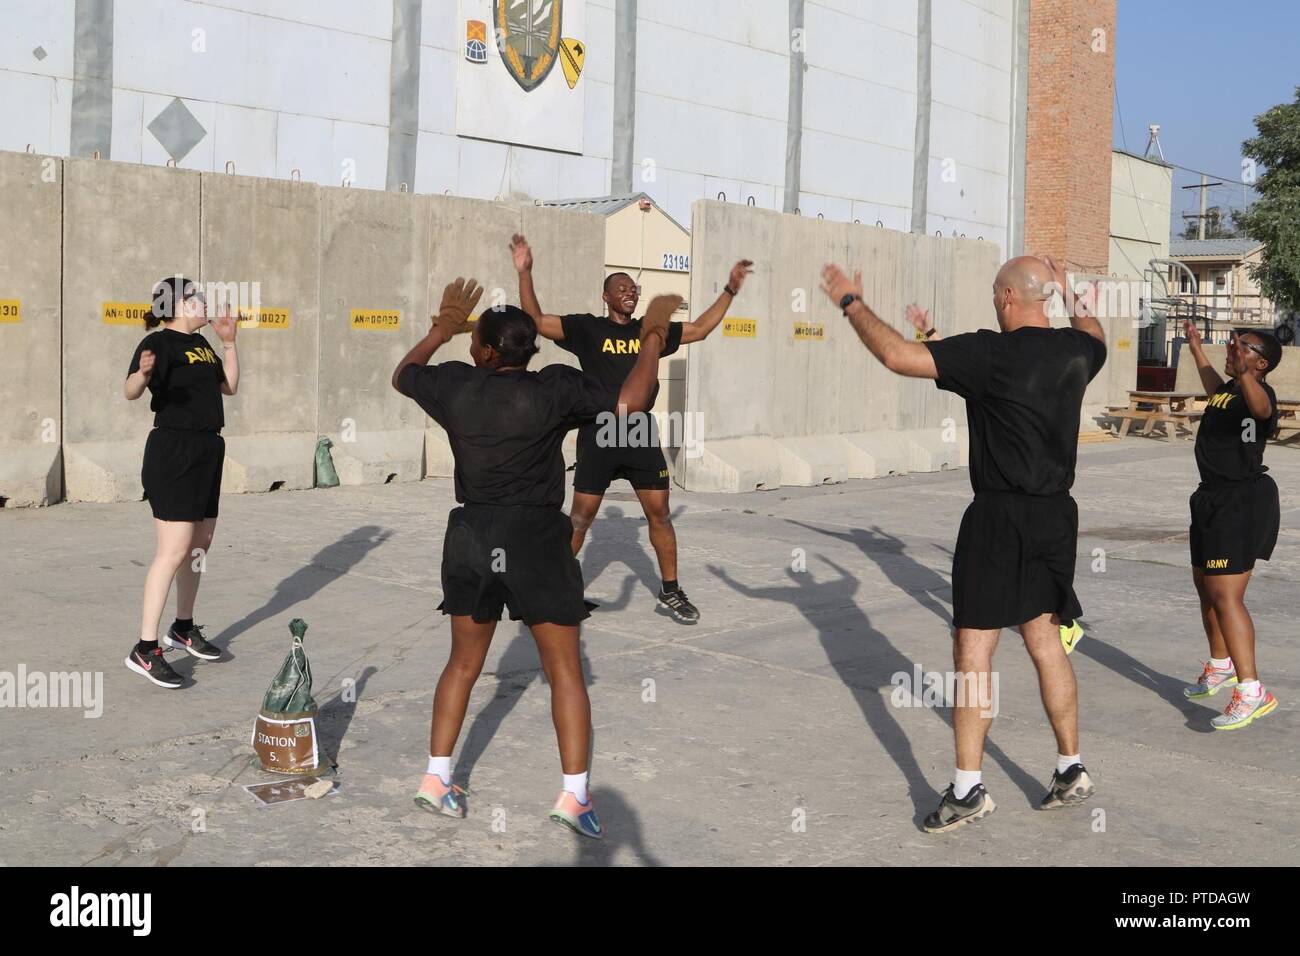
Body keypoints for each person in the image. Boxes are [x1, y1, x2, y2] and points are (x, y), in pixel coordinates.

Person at [820, 254, 1106, 834]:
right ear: (1046, 298)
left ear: (1005, 297)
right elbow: (1093, 329)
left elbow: (897, 357)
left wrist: (851, 302)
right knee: (1045, 640)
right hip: (1057, 515)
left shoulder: (989, 351)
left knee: (974, 651)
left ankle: (968, 788)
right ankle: (1070, 767)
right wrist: (1069, 286)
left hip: (998, 518)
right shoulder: (1076, 352)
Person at [393, 277, 676, 839]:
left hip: (472, 534)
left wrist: (440, 329)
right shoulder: (555, 388)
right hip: (536, 538)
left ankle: (436, 778)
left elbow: (403, 375)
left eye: (476, 339)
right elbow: (631, 403)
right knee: (565, 671)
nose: (471, 344)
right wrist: (651, 340)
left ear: (487, 352)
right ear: (528, 351)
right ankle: (573, 798)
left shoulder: (456, 384)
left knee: (462, 665)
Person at [511, 232, 753, 623]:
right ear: (605, 297)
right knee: (579, 518)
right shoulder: (587, 329)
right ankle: (554, 588)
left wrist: (729, 290)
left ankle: (670, 591)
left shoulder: (652, 329)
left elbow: (701, 329)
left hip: (639, 431)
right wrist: (525, 272)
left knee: (659, 513)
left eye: (633, 288)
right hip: (601, 428)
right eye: (620, 288)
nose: (629, 292)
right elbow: (537, 321)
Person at [907, 302, 1086, 658]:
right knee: (1037, 613)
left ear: (1008, 297)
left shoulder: (1002, 364)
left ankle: (1060, 622)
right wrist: (930, 334)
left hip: (1011, 506)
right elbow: (955, 364)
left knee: (979, 639)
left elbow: (930, 361)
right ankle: (1059, 621)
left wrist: (853, 305)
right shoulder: (1066, 357)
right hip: (1053, 507)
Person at [124, 276, 239, 688]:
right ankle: (145, 647)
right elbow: (131, 390)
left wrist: (228, 344)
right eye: (198, 297)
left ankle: (183, 627)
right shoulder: (159, 344)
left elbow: (230, 387)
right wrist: (141, 374)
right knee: (172, 551)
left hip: (209, 449)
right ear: (179, 304)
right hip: (173, 451)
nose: (206, 302)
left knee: (199, 545)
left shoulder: (204, 345)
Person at [1180, 321, 1282, 730]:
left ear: (1260, 362)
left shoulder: (1260, 392)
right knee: (1206, 587)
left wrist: (1243, 374)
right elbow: (1213, 388)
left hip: (1241, 502)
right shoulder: (1228, 389)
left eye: (1242, 346)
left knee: (1226, 596)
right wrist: (1196, 349)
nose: (1232, 349)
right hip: (1210, 498)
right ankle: (1220, 664)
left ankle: (1253, 689)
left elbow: (1262, 411)